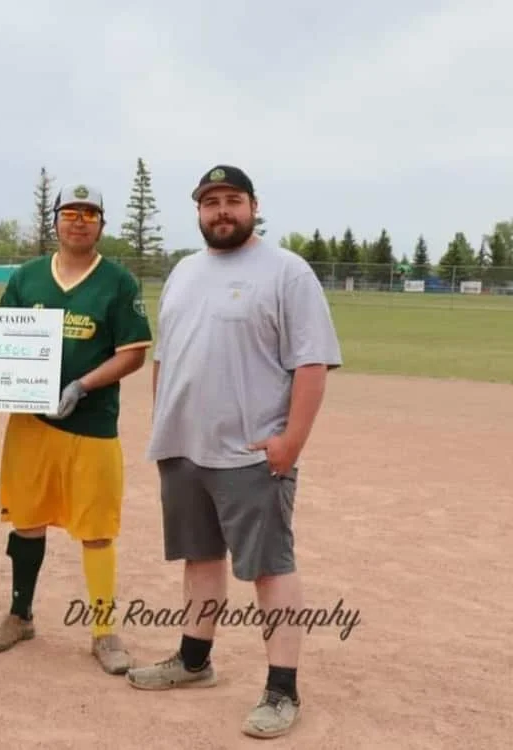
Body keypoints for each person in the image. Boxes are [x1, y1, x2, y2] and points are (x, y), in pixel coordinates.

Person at [125, 165, 342, 739]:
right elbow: (166, 359)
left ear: (253, 206)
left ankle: (282, 689)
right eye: (211, 202)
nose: (222, 211)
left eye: (233, 201)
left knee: (270, 570)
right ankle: (194, 661)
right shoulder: (184, 271)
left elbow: (312, 363)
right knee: (199, 558)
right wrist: (163, 423)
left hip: (251, 453)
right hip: (184, 449)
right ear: (198, 211)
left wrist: (289, 443)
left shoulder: (287, 272)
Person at [0, 184, 152, 674]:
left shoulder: (117, 282)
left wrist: (81, 385)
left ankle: (103, 631)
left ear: (102, 224)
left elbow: (132, 352)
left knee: (96, 529)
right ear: (55, 221)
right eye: (70, 212)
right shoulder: (28, 277)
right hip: (31, 423)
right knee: (27, 520)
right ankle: (19, 614)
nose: (80, 220)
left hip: (92, 425)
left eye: (90, 213)